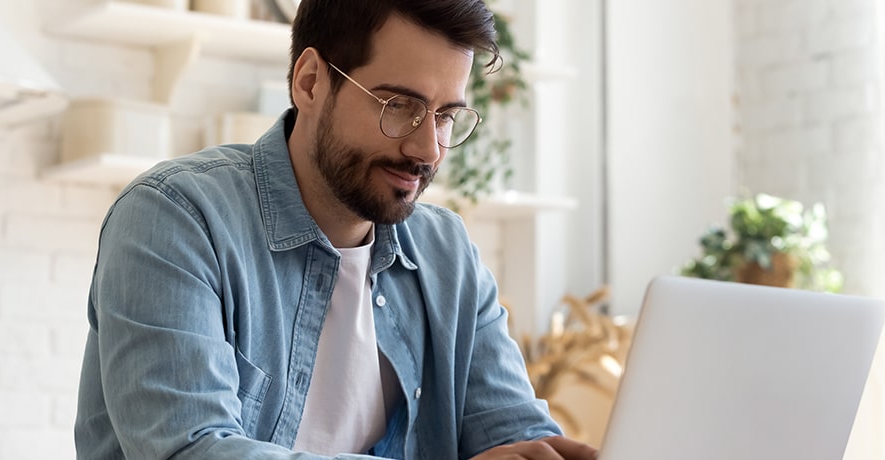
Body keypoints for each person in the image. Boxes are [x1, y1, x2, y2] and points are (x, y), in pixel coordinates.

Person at [74, 0, 596, 458]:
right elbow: (187, 451)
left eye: (444, 116)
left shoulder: (447, 253)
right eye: (400, 107)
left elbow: (512, 436)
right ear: (309, 82)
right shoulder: (175, 219)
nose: (428, 150)